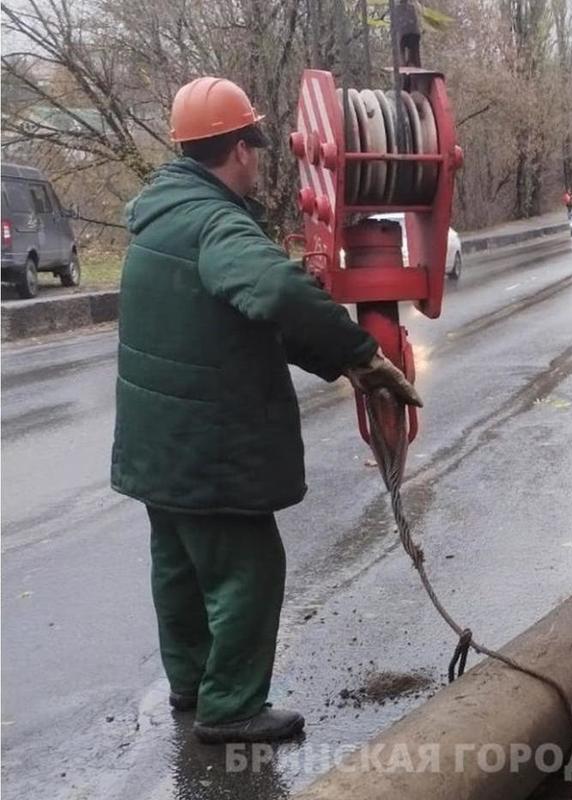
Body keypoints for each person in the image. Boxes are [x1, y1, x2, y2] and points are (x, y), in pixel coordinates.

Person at [111, 77, 422, 745]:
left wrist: (335, 362)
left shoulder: (161, 215)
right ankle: (231, 708)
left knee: (180, 568)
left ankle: (193, 686)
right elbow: (274, 291)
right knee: (248, 569)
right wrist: (363, 354)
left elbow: (246, 318)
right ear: (242, 151)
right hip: (208, 448)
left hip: (155, 449)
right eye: (255, 148)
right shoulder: (216, 223)